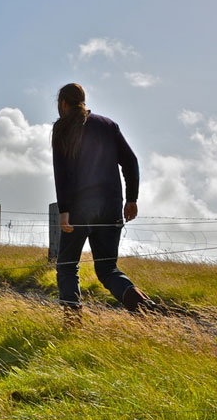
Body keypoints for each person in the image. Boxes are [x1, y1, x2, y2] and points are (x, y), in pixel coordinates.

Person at [52, 83, 155, 320]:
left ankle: (72, 319)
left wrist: (64, 210)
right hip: (111, 207)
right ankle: (143, 306)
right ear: (83, 101)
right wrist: (131, 199)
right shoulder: (108, 125)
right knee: (108, 269)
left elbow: (61, 173)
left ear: (63, 103)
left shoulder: (62, 128)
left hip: (79, 209)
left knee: (67, 265)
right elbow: (131, 162)